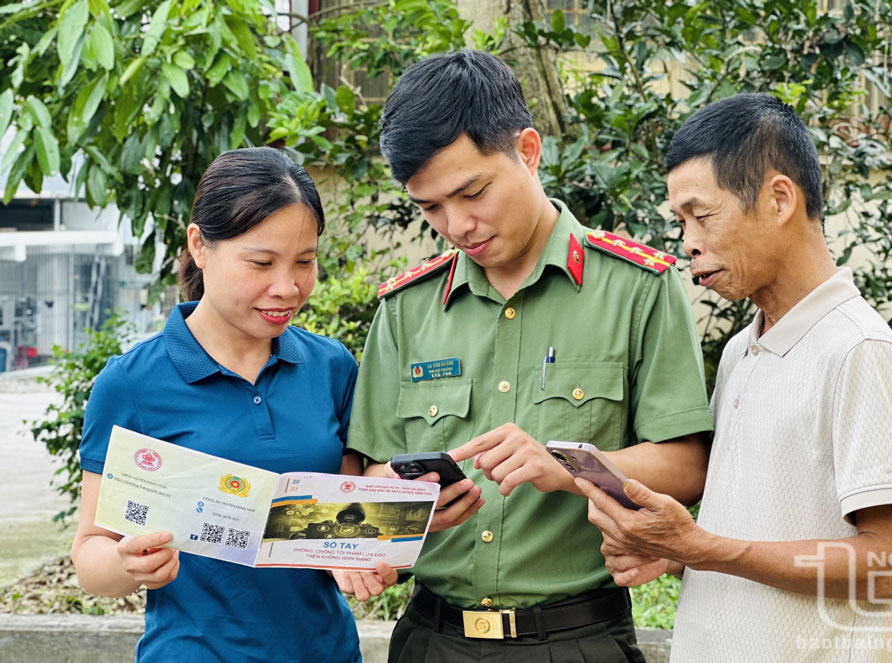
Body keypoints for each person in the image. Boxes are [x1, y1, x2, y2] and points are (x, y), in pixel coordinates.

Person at [345, 49, 714, 662]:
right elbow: (366, 482)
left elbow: (687, 465)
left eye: (472, 192)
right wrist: (402, 513)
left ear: (529, 150)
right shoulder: (406, 310)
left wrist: (570, 467)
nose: (457, 224)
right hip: (431, 641)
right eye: (431, 208)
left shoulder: (638, 289)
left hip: (575, 640)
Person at [577, 93, 892, 663]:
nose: (688, 241)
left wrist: (704, 546)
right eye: (681, 222)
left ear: (778, 198)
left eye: (702, 214)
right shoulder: (745, 350)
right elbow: (751, 528)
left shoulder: (860, 351)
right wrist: (675, 553)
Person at [71, 147, 394, 663]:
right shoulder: (132, 384)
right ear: (200, 245)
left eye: (305, 262)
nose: (287, 287)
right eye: (261, 262)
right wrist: (127, 564)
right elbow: (91, 554)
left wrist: (362, 552)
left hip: (326, 652)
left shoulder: (331, 367)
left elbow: (344, 517)